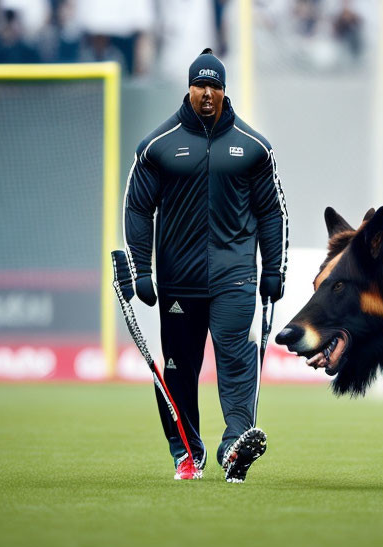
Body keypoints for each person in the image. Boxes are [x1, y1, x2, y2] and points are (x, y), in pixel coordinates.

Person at [123, 48, 288, 484]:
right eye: (201, 85)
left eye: (216, 86)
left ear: (224, 90)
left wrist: (274, 270)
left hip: (236, 278)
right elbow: (138, 208)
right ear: (190, 88)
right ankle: (187, 453)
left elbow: (273, 212)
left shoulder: (254, 148)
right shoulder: (158, 146)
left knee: (237, 359)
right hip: (179, 282)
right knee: (179, 370)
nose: (208, 93)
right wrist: (142, 270)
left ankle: (234, 444)